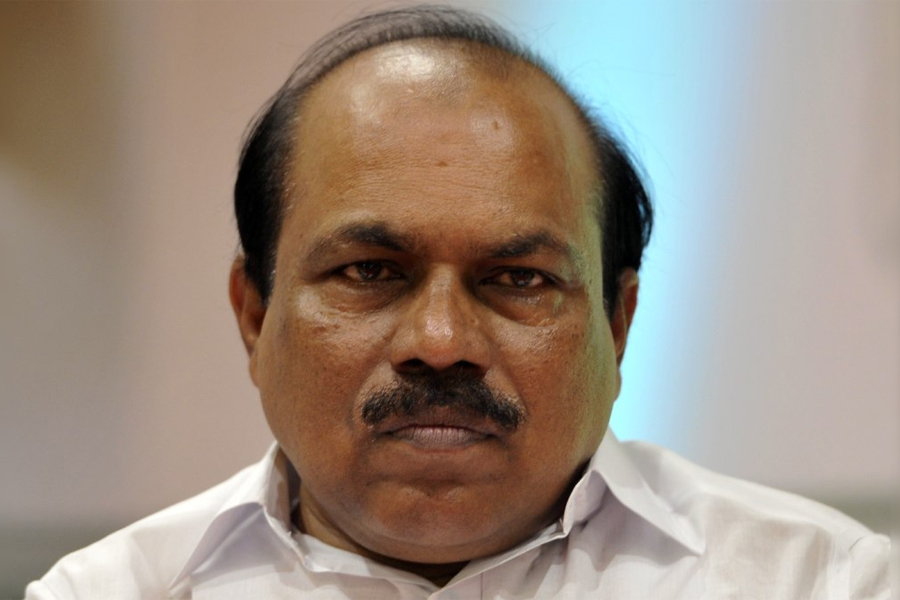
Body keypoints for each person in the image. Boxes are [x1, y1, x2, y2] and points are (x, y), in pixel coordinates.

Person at [25, 6, 889, 599]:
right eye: (370, 271)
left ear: (618, 323)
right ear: (254, 315)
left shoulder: (820, 581)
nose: (441, 342)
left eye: (519, 279)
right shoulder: (111, 592)